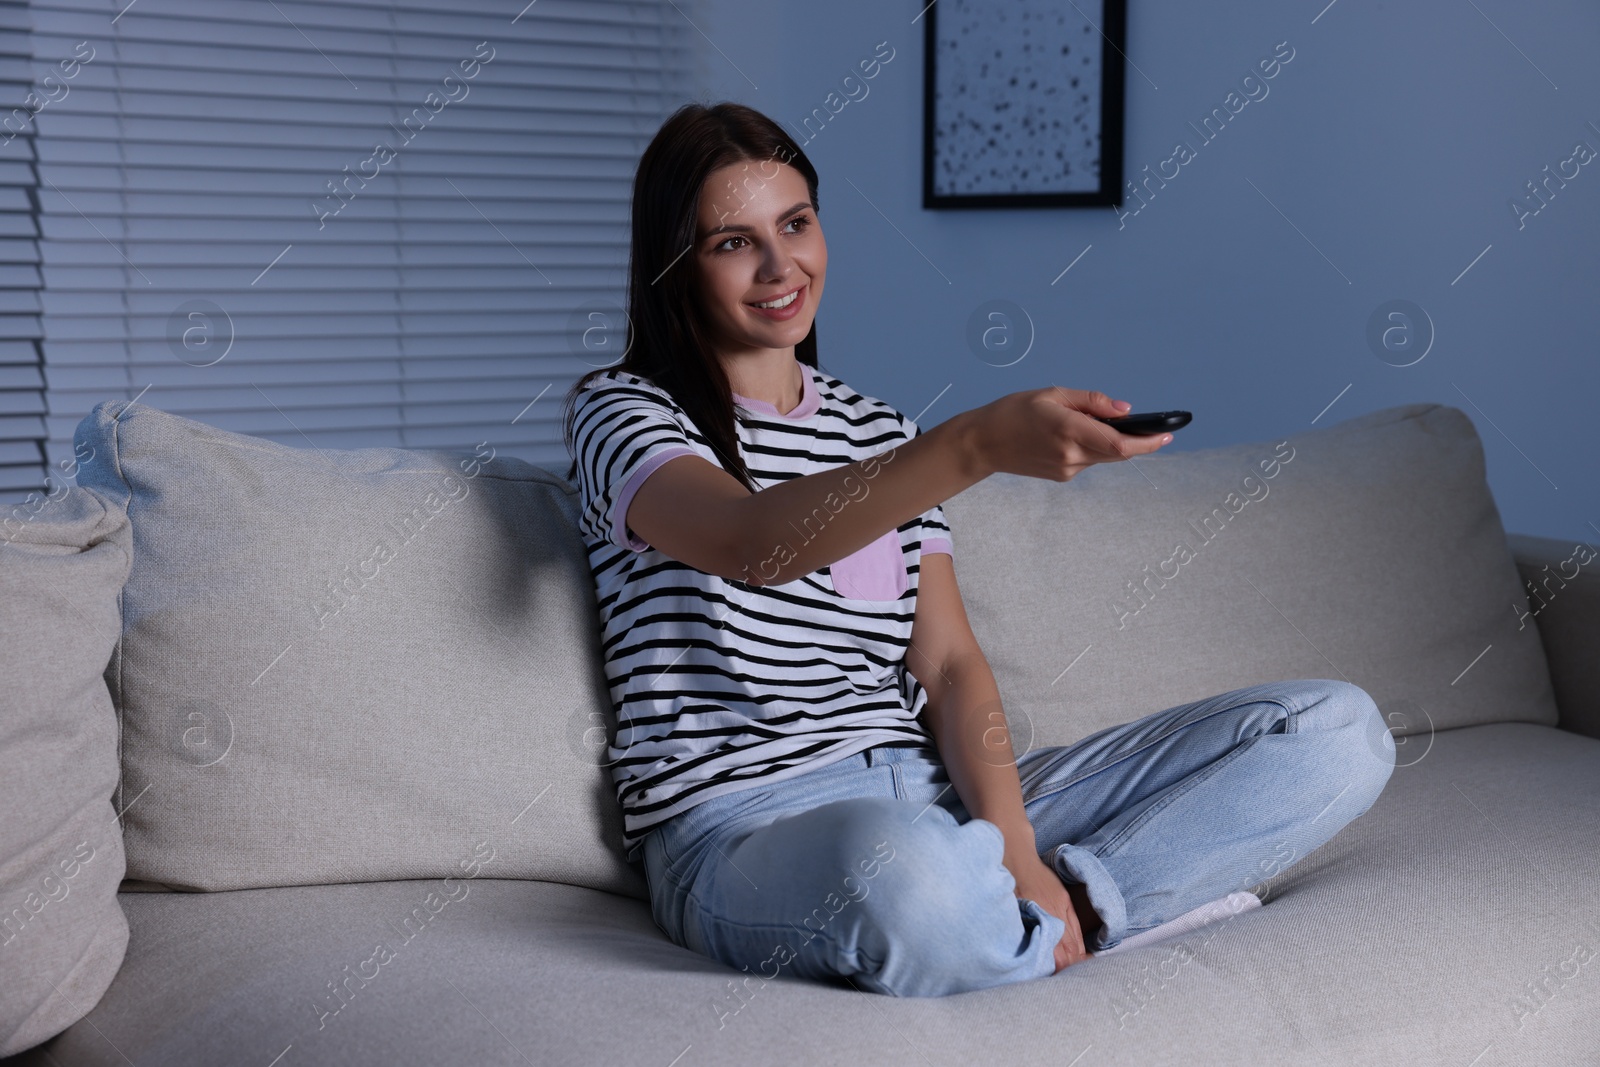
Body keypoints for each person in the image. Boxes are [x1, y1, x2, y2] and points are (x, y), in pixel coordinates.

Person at [561, 101, 1395, 998]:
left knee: (1332, 732)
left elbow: (953, 668)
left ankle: (1065, 912)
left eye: (796, 224)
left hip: (933, 799)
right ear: (676, 265)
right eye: (733, 242)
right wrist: (976, 445)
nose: (780, 266)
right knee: (909, 869)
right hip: (742, 831)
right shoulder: (623, 412)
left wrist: (1017, 850)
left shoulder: (879, 432)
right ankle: (1067, 930)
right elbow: (753, 542)